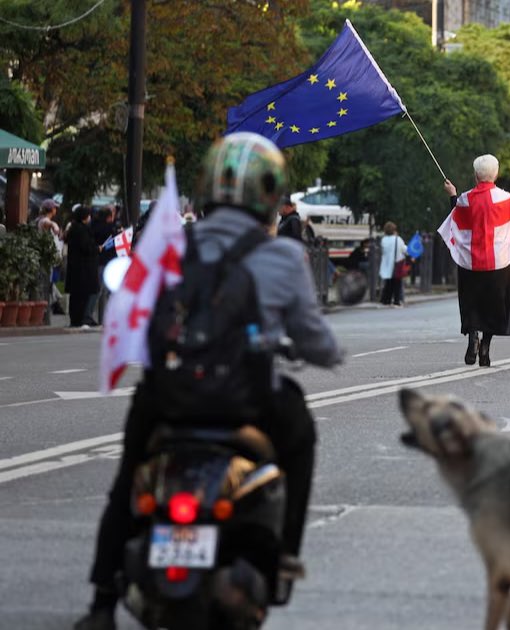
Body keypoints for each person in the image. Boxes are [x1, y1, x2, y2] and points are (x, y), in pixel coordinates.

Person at [74, 133, 343, 630]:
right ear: (270, 193)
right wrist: (322, 351)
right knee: (300, 435)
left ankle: (101, 600)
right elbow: (319, 344)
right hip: (250, 403)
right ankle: (284, 555)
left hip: (169, 397)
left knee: (126, 480)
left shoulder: (169, 246)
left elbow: (136, 311)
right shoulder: (282, 256)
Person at [438, 155, 510, 368]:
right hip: (498, 264)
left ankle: (472, 337)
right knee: (494, 306)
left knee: (472, 303)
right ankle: (485, 347)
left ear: (476, 175)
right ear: (497, 174)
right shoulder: (506, 200)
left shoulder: (465, 199)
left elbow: (456, 220)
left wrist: (452, 195)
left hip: (470, 264)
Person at [379, 221, 408, 306]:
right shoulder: (397, 239)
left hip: (386, 263)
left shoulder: (383, 240)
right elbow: (404, 249)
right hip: (396, 263)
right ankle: (396, 300)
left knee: (388, 283)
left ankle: (385, 300)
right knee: (397, 283)